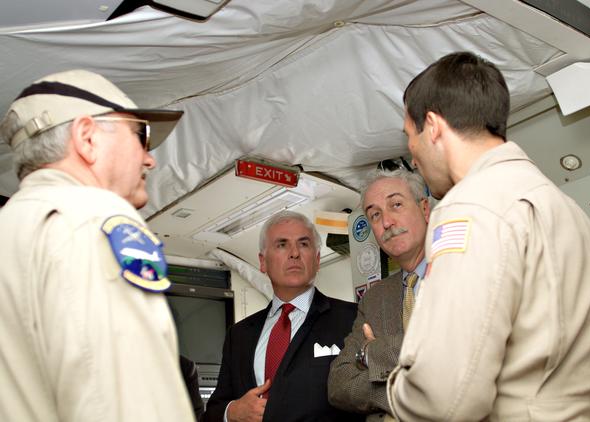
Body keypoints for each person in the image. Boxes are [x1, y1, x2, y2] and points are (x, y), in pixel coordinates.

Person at [387, 51, 590, 421]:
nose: (412, 156)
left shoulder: (471, 206)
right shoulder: (565, 208)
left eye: (409, 136)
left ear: (433, 127)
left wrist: (399, 390)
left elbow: (445, 399)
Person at [0, 70, 195, 422]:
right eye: (141, 135)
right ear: (87, 138)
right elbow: (123, 403)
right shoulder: (92, 220)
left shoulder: (11, 227)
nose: (149, 159)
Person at [203, 211, 363, 422]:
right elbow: (213, 412)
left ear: (316, 259)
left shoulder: (353, 318)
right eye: (282, 244)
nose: (294, 253)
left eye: (304, 244)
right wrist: (232, 412)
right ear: (263, 262)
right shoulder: (239, 335)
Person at [327, 167, 430, 420]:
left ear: (425, 209)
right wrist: (398, 394)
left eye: (396, 204)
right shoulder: (375, 298)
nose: (387, 222)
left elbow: (445, 352)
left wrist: (371, 353)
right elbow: (338, 384)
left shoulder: (463, 270)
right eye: (375, 215)